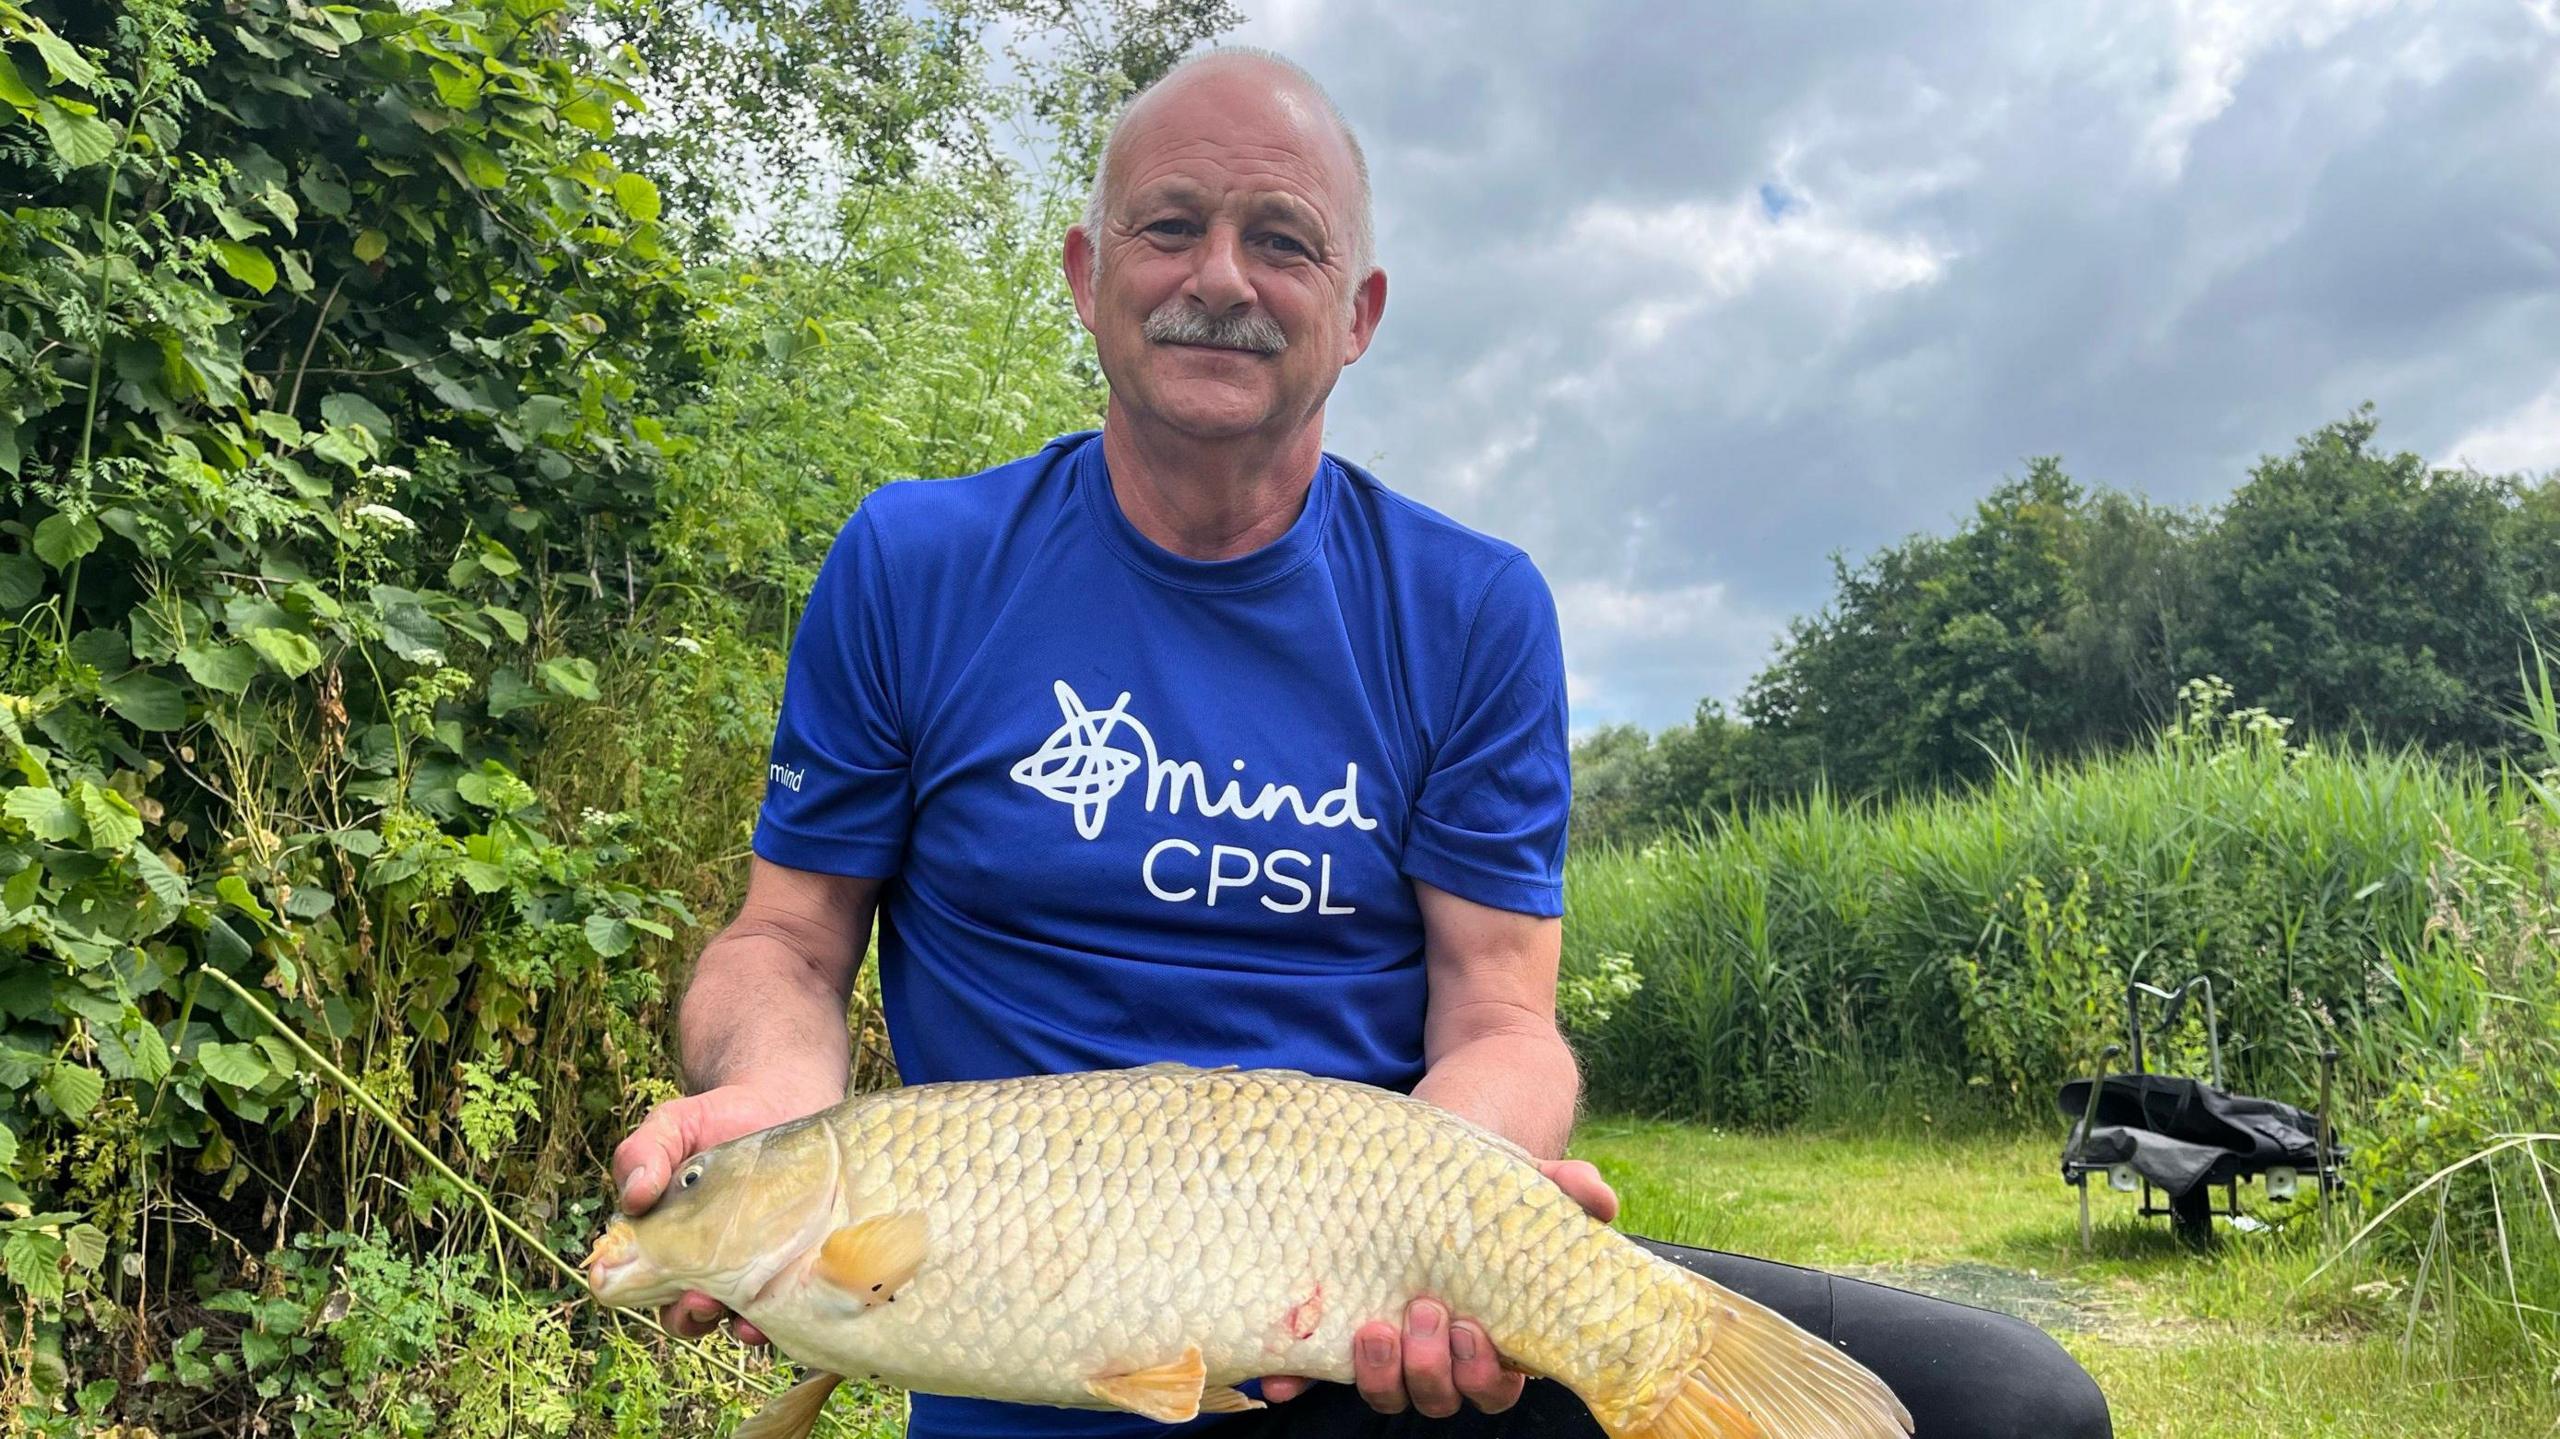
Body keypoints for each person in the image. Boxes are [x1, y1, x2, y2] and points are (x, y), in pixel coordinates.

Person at [611, 46, 2111, 1439]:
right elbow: (788, 950)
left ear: (1361, 312)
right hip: (1029, 1342)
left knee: (2010, 1403)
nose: (1222, 277)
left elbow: (1500, 1017)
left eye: (1284, 240)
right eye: (1170, 225)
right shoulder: (917, 564)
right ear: (1084, 276)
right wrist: (763, 1114)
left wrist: (1462, 1216)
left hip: (1373, 1344)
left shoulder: (1470, 608)